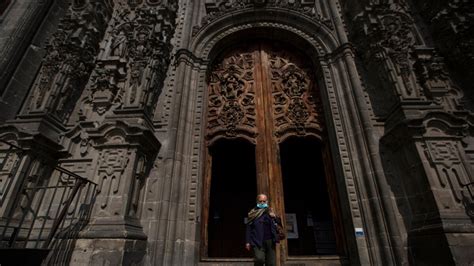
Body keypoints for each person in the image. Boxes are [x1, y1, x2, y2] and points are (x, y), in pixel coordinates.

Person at [245, 194, 280, 266]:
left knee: (271, 263)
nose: (262, 203)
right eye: (260, 201)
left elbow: (279, 224)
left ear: (267, 201)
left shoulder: (270, 211)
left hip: (270, 241)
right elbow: (249, 228)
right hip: (257, 241)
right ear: (257, 201)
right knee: (259, 259)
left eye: (264, 201)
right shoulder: (253, 213)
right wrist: (247, 242)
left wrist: (274, 217)